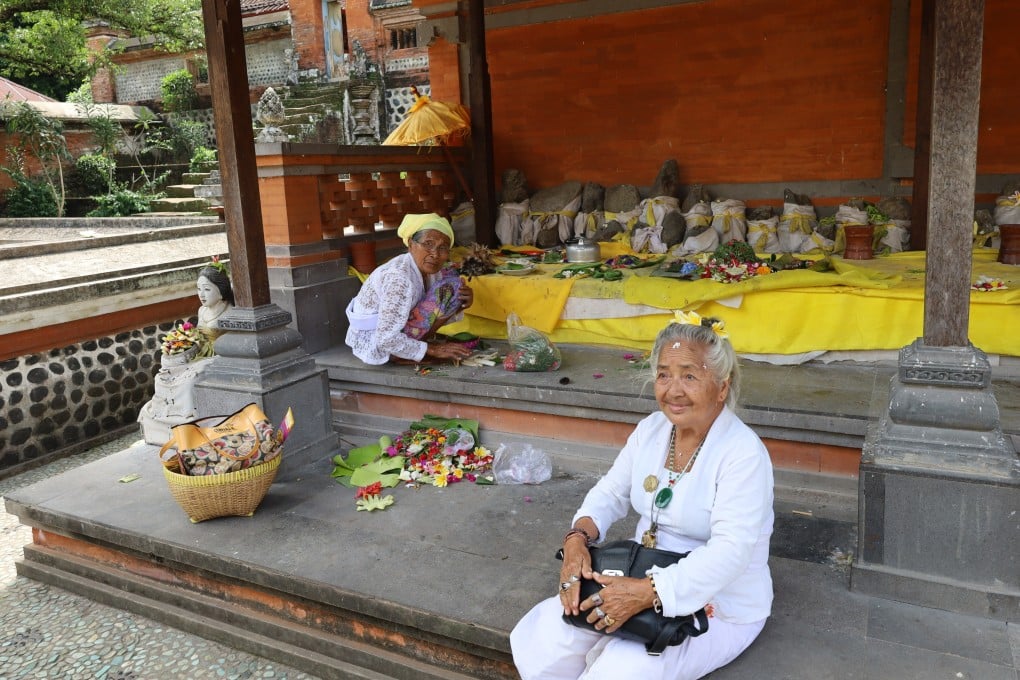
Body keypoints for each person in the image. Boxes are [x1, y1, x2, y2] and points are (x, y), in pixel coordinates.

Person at [510, 311, 774, 680]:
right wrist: (577, 540)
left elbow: (731, 551)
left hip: (718, 600)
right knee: (551, 641)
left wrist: (647, 592)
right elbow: (610, 492)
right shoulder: (652, 429)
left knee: (623, 668)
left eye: (689, 376)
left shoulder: (743, 453)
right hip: (638, 571)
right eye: (664, 374)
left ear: (722, 386)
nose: (673, 390)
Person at [345, 213, 474, 365]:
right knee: (447, 287)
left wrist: (462, 303)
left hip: (395, 329)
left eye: (443, 248)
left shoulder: (432, 272)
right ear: (411, 244)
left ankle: (417, 347)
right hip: (377, 340)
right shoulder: (400, 278)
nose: (435, 254)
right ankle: (405, 353)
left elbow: (435, 311)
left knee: (453, 286)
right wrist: (433, 350)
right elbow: (385, 338)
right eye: (428, 244)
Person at [196, 261, 235, 335]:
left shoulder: (230, 314)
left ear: (221, 291)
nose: (201, 294)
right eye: (199, 289)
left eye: (207, 289)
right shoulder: (201, 310)